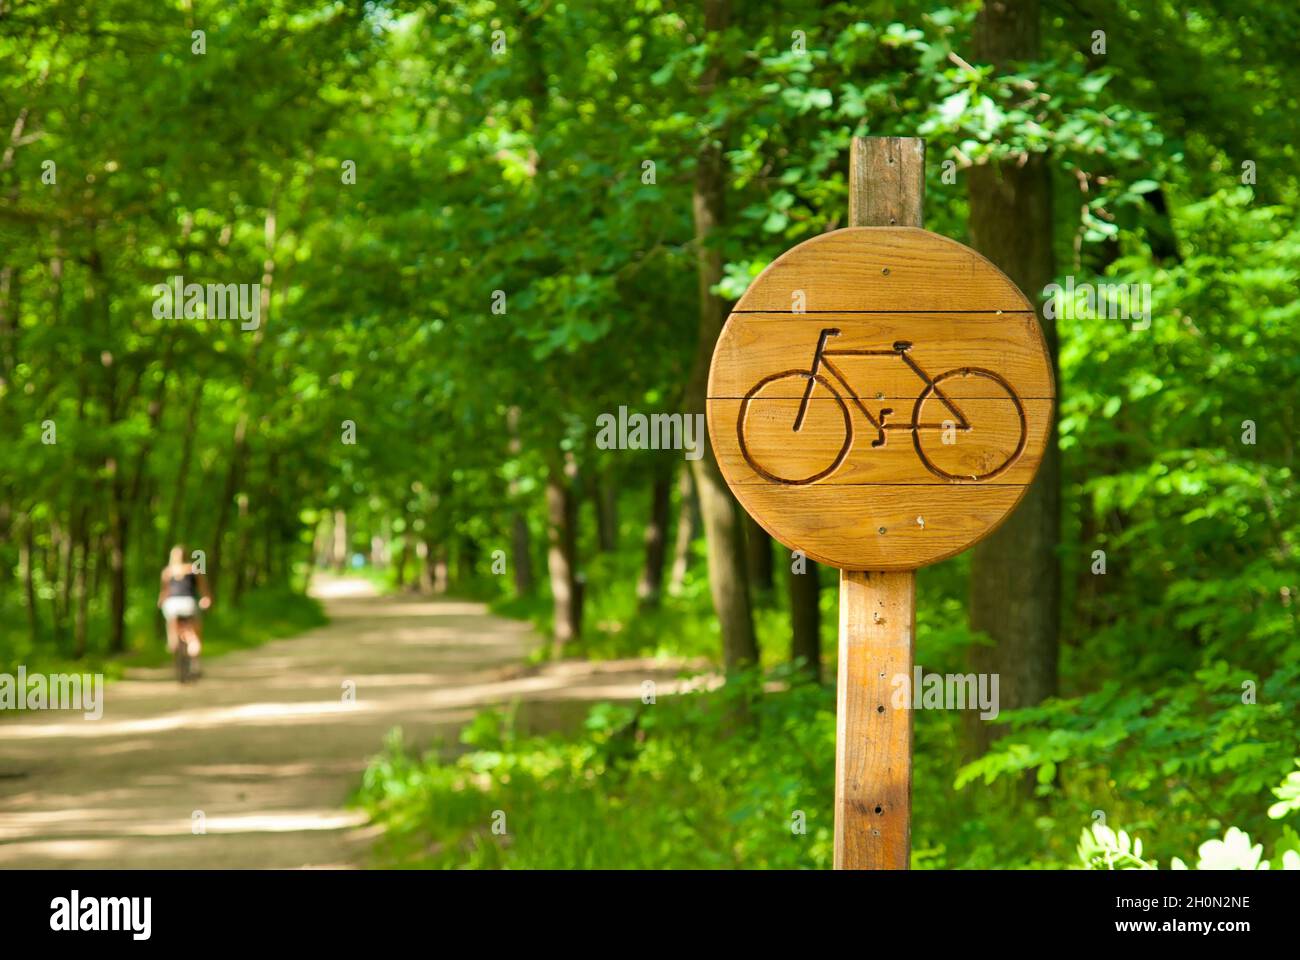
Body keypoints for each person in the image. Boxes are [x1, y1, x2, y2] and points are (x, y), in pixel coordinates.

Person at [158, 545, 212, 675]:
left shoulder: (167, 572)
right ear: (186, 556)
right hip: (189, 604)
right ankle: (195, 664)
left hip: (173, 605)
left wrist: (160, 602)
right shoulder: (193, 569)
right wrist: (206, 598)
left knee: (171, 625)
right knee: (194, 636)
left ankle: (173, 642)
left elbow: (164, 593)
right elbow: (203, 589)